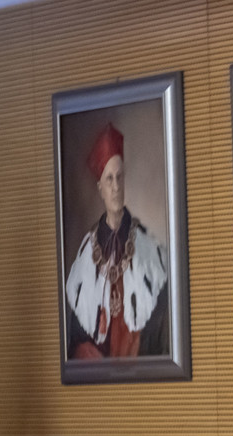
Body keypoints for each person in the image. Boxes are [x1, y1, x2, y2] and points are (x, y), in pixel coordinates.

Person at [65, 124, 169, 359]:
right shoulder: (86, 253)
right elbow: (76, 337)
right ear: (100, 188)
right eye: (109, 179)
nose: (115, 187)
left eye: (120, 177)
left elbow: (161, 327)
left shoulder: (148, 248)